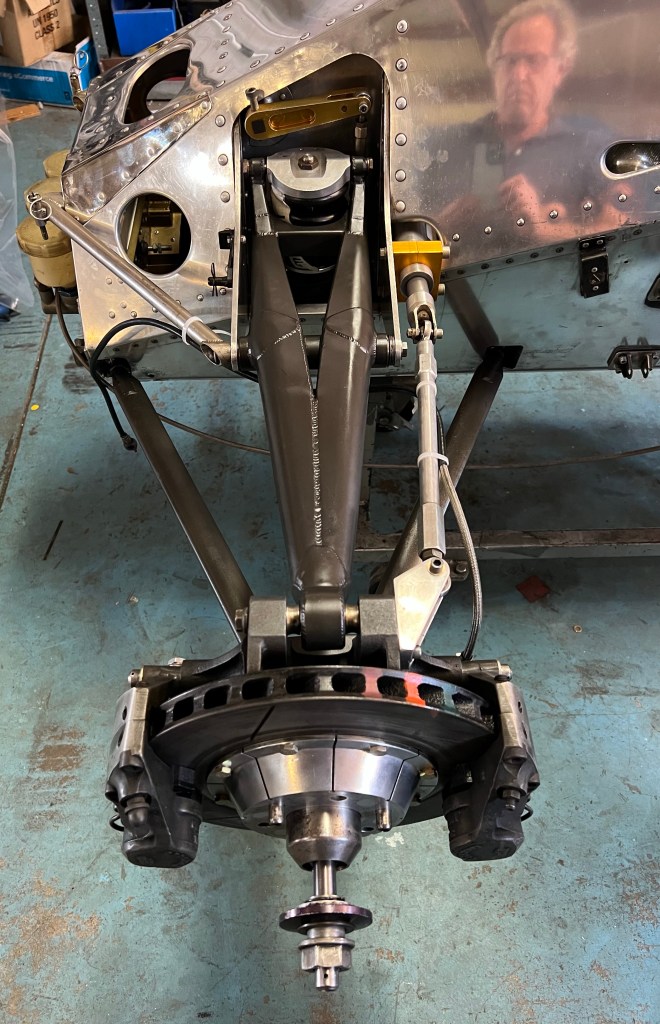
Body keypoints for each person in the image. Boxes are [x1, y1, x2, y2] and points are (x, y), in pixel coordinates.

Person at [439, 0, 620, 243]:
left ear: (560, 70)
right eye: (510, 61)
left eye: (534, 60)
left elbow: (623, 225)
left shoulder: (590, 149)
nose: (519, 75)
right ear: (495, 67)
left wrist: (542, 228)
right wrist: (440, 226)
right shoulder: (449, 147)